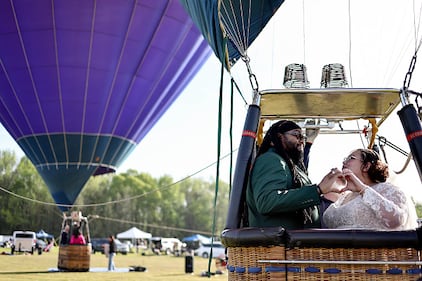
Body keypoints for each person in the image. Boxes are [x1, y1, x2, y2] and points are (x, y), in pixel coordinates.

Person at [246, 120, 345, 229]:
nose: (301, 141)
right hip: (278, 244)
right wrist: (318, 190)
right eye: (296, 135)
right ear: (279, 137)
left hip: (295, 242)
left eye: (302, 137)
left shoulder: (290, 165)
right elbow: (267, 201)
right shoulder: (271, 159)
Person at [323, 148, 418, 230]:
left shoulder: (387, 189)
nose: (344, 162)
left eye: (351, 158)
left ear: (366, 166)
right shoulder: (344, 197)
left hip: (375, 251)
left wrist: (363, 189)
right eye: (345, 159)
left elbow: (396, 220)